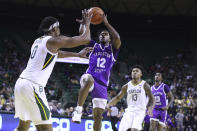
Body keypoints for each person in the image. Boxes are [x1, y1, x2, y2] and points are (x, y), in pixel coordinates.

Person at [14, 9, 92, 131]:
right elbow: (86, 39)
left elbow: (56, 54)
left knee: (22, 128)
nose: (59, 31)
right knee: (46, 129)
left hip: (21, 84)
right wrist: (86, 24)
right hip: (32, 86)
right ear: (54, 29)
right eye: (59, 28)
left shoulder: (38, 41)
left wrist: (77, 55)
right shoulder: (53, 40)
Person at [72, 14, 121, 131]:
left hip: (102, 84)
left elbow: (118, 38)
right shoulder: (93, 46)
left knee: (98, 116)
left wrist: (106, 23)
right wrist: (85, 24)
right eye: (101, 34)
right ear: (98, 38)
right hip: (89, 76)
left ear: (109, 38)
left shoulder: (113, 50)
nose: (103, 35)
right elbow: (82, 34)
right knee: (89, 80)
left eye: (106, 34)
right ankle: (78, 111)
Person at [106, 65, 155, 131]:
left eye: (137, 71)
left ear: (141, 74)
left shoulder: (145, 85)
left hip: (140, 111)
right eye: (133, 71)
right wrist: (109, 104)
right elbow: (118, 97)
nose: (134, 72)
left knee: (134, 129)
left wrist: (151, 108)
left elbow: (152, 98)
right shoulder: (126, 86)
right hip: (129, 110)